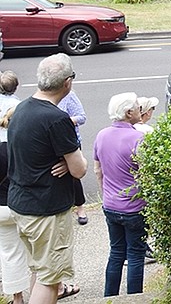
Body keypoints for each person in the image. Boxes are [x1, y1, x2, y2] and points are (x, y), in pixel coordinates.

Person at [7, 54, 88, 304]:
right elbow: (80, 170)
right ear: (67, 82)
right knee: (50, 279)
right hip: (46, 211)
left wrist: (63, 160)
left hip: (21, 204)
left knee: (39, 269)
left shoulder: (21, 109)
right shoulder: (56, 119)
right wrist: (68, 160)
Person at [94, 93, 149, 296]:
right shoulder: (138, 138)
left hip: (110, 206)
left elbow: (98, 170)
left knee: (116, 252)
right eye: (137, 107)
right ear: (128, 113)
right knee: (135, 255)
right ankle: (134, 298)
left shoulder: (101, 135)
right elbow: (146, 173)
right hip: (134, 208)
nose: (140, 109)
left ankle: (109, 297)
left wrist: (105, 195)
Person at [0, 73, 30, 304]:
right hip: (23, 203)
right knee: (36, 251)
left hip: (0, 209)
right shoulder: (20, 146)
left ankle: (17, 298)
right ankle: (44, 292)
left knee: (9, 254)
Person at [56, 91, 89, 225]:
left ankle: (80, 208)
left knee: (74, 175)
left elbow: (81, 117)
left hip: (70, 142)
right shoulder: (43, 97)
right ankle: (60, 210)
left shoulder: (69, 96)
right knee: (55, 173)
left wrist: (63, 122)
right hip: (52, 143)